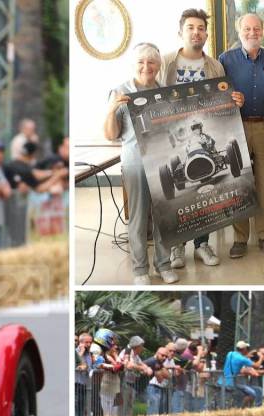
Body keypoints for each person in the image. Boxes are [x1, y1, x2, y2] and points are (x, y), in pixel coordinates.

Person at [163, 8, 244, 269]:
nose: (196, 32)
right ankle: (177, 247)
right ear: (181, 31)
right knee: (177, 201)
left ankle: (202, 244)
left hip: (203, 127)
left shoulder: (215, 66)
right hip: (175, 132)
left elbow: (222, 100)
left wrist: (234, 100)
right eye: (191, 27)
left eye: (200, 28)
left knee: (205, 195)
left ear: (206, 34)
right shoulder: (166, 63)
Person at [104, 42, 177, 285]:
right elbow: (111, 134)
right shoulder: (119, 92)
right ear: (134, 64)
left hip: (162, 162)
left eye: (152, 62)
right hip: (135, 162)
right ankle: (139, 269)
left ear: (158, 66)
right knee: (137, 217)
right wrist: (112, 109)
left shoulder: (165, 92)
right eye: (141, 62)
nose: (146, 67)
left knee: (164, 216)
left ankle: (163, 264)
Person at [219, 13, 264, 258]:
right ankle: (240, 238)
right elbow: (214, 93)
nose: (252, 33)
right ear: (239, 31)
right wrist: (229, 98)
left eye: (256, 29)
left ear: (262, 31)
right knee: (238, 183)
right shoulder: (225, 60)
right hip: (235, 127)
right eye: (247, 29)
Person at [93, 328, 122, 416]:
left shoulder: (102, 352)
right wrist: (111, 366)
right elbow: (98, 363)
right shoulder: (96, 348)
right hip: (101, 386)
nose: (112, 342)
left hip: (110, 387)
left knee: (111, 414)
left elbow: (119, 366)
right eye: (111, 339)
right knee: (103, 413)